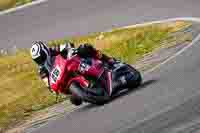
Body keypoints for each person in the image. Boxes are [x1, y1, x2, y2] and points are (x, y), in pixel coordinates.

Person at [30, 41, 116, 95]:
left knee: (84, 47)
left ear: (45, 50)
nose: (40, 60)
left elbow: (68, 45)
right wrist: (51, 88)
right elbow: (48, 85)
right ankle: (86, 92)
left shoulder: (53, 50)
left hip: (69, 66)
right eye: (37, 60)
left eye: (41, 57)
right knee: (75, 101)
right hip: (64, 84)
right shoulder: (42, 71)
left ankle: (108, 60)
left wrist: (71, 50)